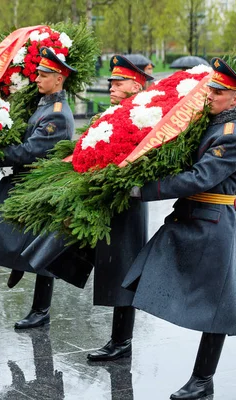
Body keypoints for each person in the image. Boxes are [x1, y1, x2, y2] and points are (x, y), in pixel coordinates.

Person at [123, 57, 236, 399]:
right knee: (143, 272)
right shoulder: (213, 124)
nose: (210, 95)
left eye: (218, 91)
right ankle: (120, 338)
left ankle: (202, 380)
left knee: (216, 307)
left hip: (212, 224)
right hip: (193, 218)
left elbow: (199, 177)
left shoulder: (229, 136)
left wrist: (146, 189)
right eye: (211, 88)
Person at [0, 47, 76, 328]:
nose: (37, 79)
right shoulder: (43, 103)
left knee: (44, 251)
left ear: (59, 78)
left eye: (44, 75)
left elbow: (30, 151)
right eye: (38, 73)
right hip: (23, 180)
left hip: (40, 184)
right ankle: (3, 268)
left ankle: (41, 310)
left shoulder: (57, 113)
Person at [86, 55, 153, 362]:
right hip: (108, 200)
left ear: (136, 84)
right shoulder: (113, 113)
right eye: (111, 82)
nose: (111, 86)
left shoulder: (147, 115)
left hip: (129, 201)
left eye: (118, 82)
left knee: (124, 270)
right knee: (113, 267)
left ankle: (121, 342)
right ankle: (117, 339)